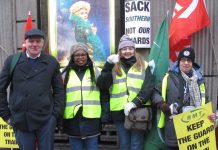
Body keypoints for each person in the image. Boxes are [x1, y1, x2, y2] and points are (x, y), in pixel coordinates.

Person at [0, 29, 65, 150]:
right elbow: (0, 88)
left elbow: (59, 90)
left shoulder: (51, 62)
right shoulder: (12, 61)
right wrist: (6, 115)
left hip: (46, 118)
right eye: (31, 41)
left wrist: (55, 115)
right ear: (26, 42)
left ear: (42, 43)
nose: (34, 44)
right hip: (21, 119)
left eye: (38, 41)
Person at [97, 34, 154, 150]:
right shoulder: (113, 65)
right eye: (124, 49)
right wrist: (108, 65)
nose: (127, 51)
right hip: (119, 112)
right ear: (119, 51)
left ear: (134, 49)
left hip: (139, 111)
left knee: (136, 144)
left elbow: (148, 87)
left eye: (130, 48)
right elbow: (102, 85)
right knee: (124, 144)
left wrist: (134, 103)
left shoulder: (144, 65)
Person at [153, 47, 216, 150]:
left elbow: (206, 100)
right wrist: (163, 105)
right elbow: (155, 93)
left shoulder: (200, 80)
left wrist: (210, 114)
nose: (186, 63)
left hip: (195, 134)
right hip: (174, 130)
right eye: (183, 60)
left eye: (189, 60)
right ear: (179, 62)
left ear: (192, 62)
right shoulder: (168, 77)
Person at [62, 43, 102, 150]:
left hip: (92, 119)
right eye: (77, 55)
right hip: (72, 119)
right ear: (72, 57)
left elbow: (105, 90)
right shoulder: (64, 74)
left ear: (87, 56)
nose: (80, 57)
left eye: (83, 54)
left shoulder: (95, 71)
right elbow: (59, 96)